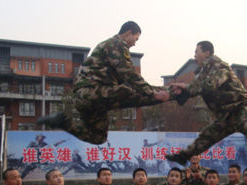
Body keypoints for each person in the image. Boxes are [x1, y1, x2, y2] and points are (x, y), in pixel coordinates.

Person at [37, 21, 171, 144]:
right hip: (93, 92)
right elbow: (129, 74)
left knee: (98, 137)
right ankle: (177, 92)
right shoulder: (116, 44)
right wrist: (153, 93)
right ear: (129, 32)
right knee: (131, 90)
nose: (135, 43)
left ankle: (63, 122)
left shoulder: (108, 46)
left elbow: (121, 76)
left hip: (89, 100)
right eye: (136, 39)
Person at [166, 41, 247, 165]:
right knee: (207, 136)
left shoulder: (219, 65)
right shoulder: (202, 72)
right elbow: (195, 88)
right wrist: (180, 94)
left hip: (239, 106)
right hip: (225, 115)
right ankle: (184, 156)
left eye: (196, 51)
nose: (194, 55)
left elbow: (210, 85)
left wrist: (186, 87)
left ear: (207, 52)